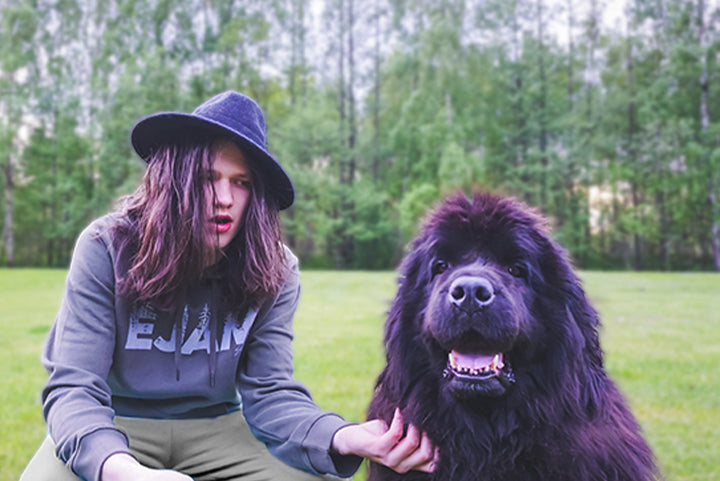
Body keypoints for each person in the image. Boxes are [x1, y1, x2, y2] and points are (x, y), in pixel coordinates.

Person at [19, 91, 437, 481]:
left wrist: (344, 436)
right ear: (174, 179)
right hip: (111, 422)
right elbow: (74, 387)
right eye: (207, 177)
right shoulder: (105, 247)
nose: (225, 198)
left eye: (242, 182)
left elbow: (270, 392)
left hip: (219, 427)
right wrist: (122, 470)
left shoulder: (276, 269)